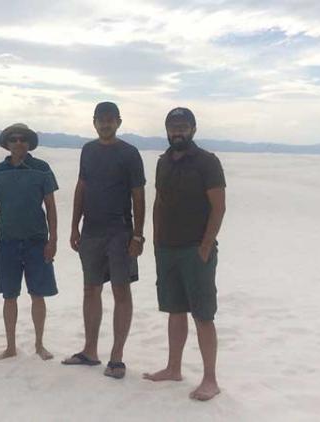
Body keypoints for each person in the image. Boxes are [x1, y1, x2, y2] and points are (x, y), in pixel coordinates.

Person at [143, 107, 226, 401]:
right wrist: (154, 241)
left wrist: (205, 246)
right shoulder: (163, 162)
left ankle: (210, 379)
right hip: (166, 249)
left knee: (203, 314)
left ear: (193, 129)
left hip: (195, 250)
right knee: (175, 311)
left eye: (183, 126)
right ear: (166, 130)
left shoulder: (207, 162)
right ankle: (173, 367)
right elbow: (158, 202)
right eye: (172, 126)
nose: (177, 131)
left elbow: (218, 207)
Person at [62, 102, 145, 379]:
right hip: (91, 231)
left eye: (110, 120)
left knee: (121, 291)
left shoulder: (130, 154)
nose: (105, 124)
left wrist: (138, 234)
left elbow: (138, 195)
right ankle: (90, 351)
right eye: (101, 120)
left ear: (119, 122)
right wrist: (74, 226)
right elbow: (81, 187)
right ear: (94, 122)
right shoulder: (88, 150)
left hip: (120, 231)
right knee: (90, 289)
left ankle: (117, 357)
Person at [0, 123, 59, 361]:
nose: (18, 143)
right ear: (7, 143)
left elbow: (51, 206)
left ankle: (39, 344)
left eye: (23, 139)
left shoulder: (42, 169)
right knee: (9, 296)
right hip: (7, 241)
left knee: (38, 294)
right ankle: (11, 346)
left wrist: (53, 239)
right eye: (13, 139)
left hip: (37, 240)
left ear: (29, 143)